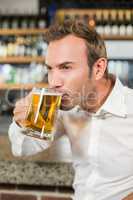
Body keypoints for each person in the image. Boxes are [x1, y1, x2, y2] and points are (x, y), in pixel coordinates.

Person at [8, 19, 133, 200]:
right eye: (50, 69)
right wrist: (22, 121)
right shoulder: (65, 108)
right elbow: (25, 148)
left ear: (98, 68)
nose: (54, 82)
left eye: (66, 67)